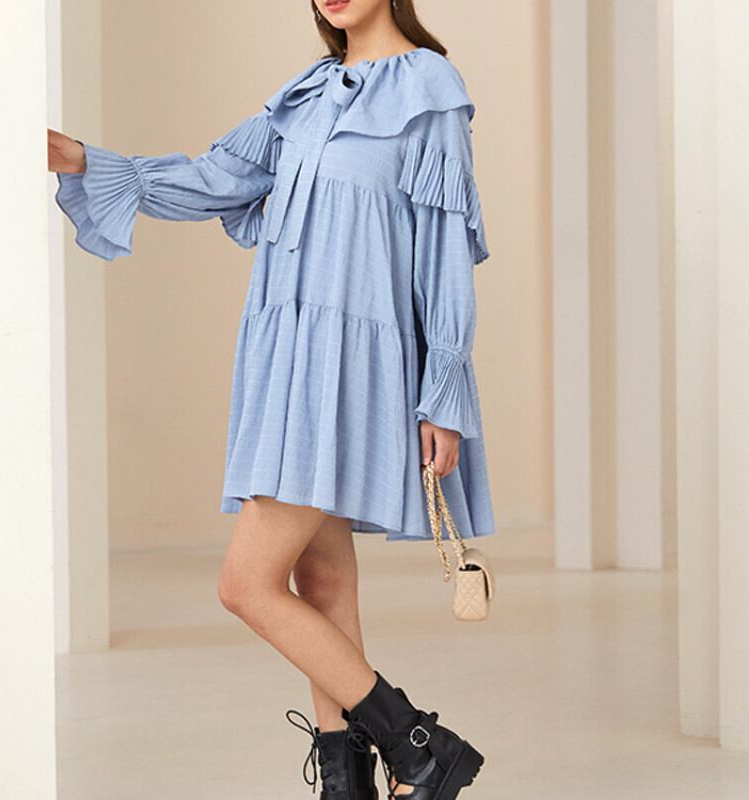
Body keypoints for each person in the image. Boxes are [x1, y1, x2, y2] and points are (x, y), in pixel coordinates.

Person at [48, 1, 496, 797]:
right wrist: (85, 159)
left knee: (245, 585)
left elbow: (444, 251)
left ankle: (423, 750)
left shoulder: (429, 89)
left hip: (353, 367)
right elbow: (215, 180)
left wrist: (444, 395)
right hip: (284, 359)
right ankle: (346, 784)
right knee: (323, 586)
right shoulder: (306, 93)